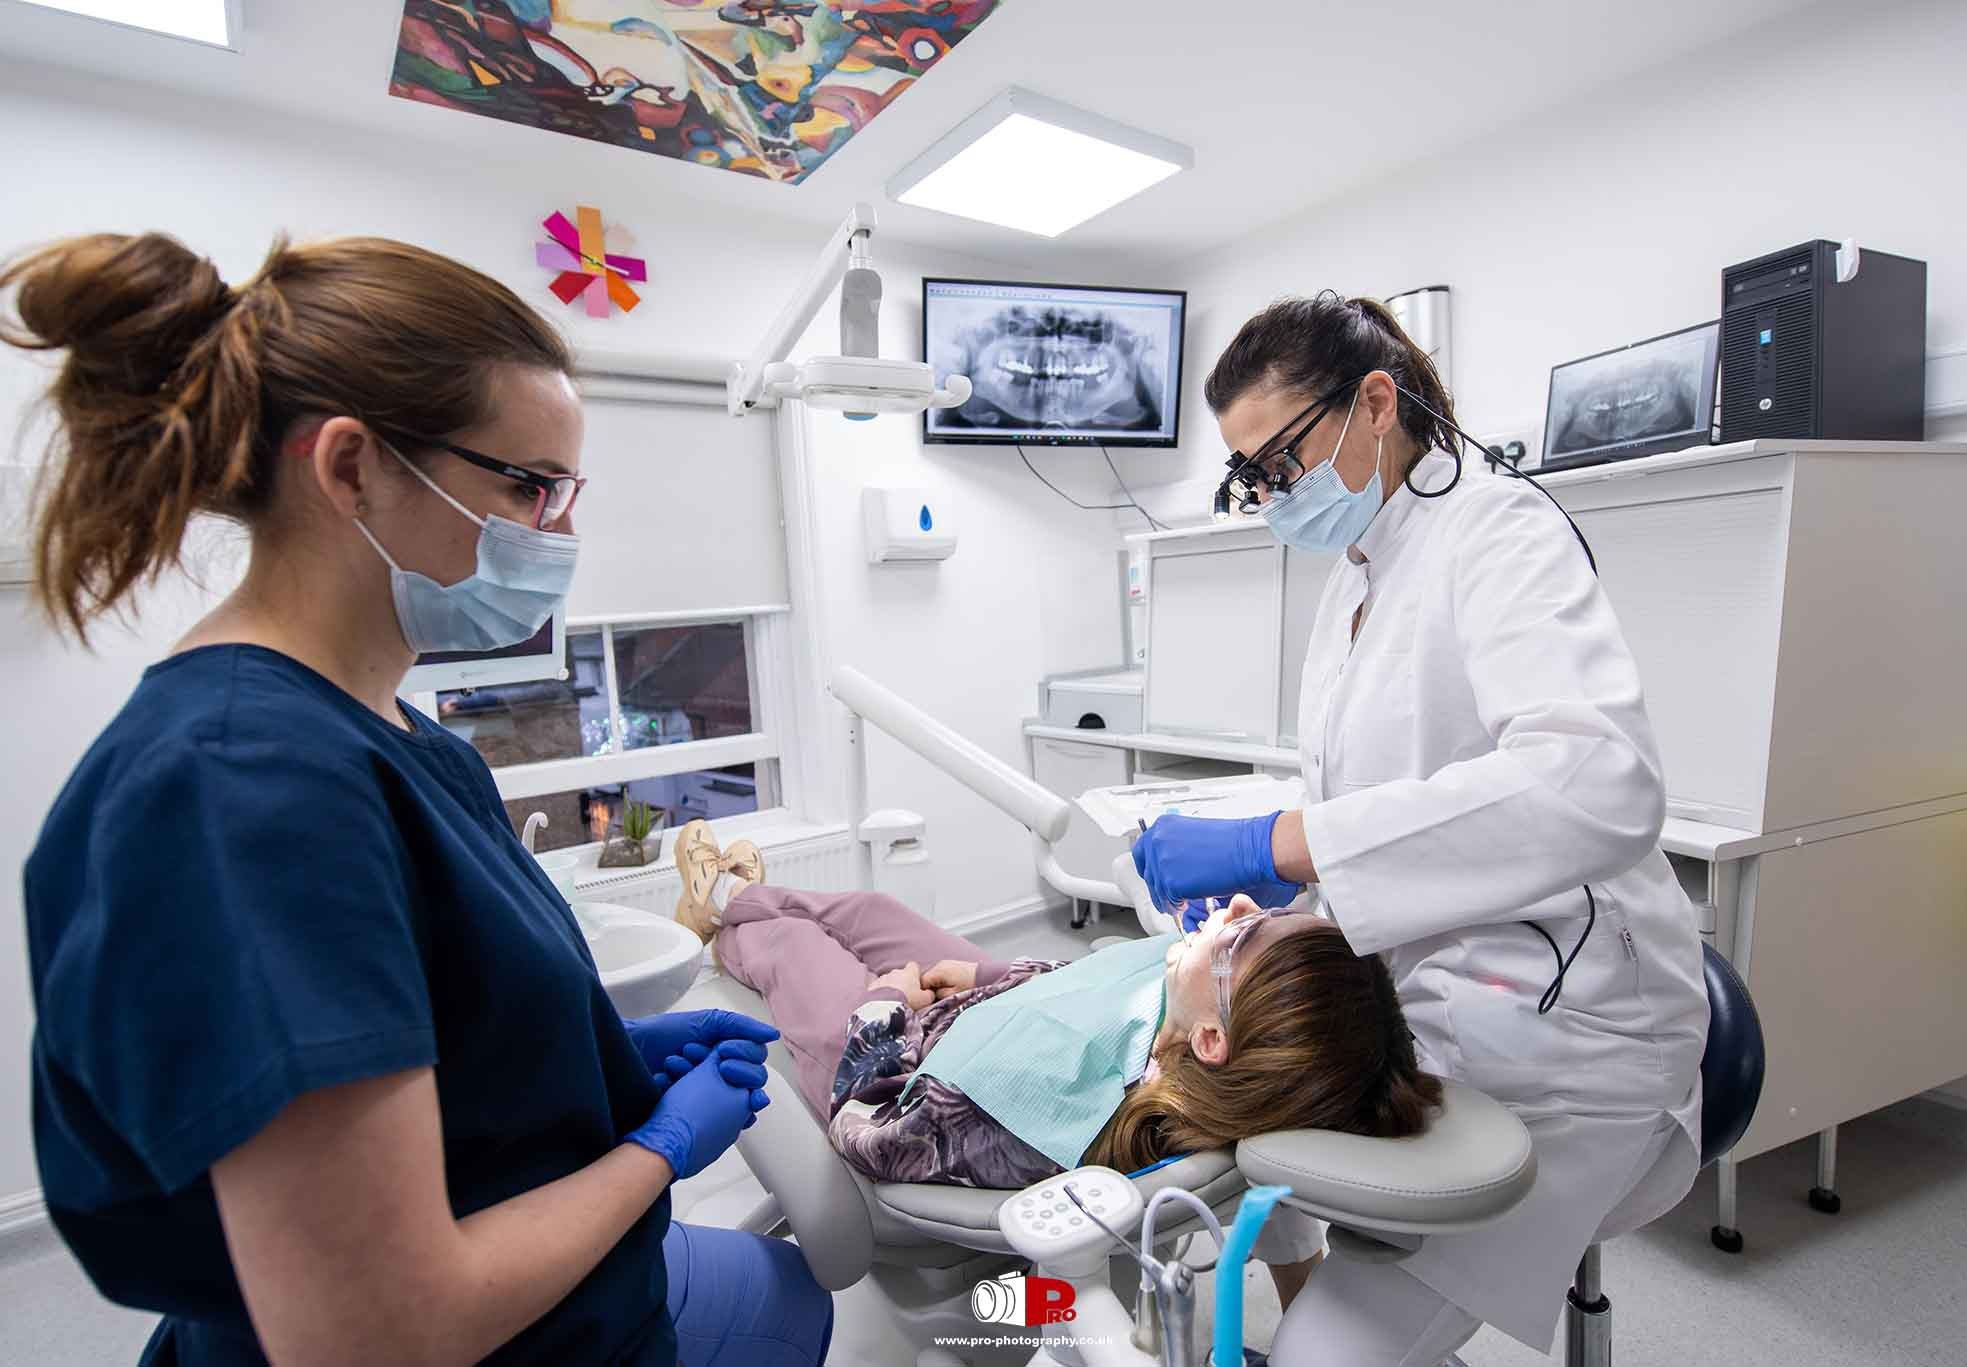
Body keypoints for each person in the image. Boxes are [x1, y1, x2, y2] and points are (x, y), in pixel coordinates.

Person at [7, 231, 831, 1366]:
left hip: (585, 1306)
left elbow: (428, 1033)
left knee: (794, 1291)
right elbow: (374, 1333)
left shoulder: (404, 738)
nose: (560, 534)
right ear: (350, 467)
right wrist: (655, 1147)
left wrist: (599, 1053)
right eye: (527, 485)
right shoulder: (241, 787)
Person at [1131, 292, 1711, 1362]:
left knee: (1322, 1347)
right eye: (1249, 475)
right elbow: (1385, 803)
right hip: (1428, 993)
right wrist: (1290, 900)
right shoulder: (1354, 576)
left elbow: (1598, 778)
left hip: (1565, 1025)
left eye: (1278, 460)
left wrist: (1279, 843)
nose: (1269, 495)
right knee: (1264, 1163)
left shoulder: (1494, 528)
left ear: (1373, 401)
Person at [666, 828, 1439, 1189]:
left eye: (1246, 934)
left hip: (882, 1064)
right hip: (972, 1011)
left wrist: (886, 1001)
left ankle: (725, 917)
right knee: (867, 905)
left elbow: (870, 1131)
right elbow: (1079, 993)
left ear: (1212, 1038)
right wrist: (985, 972)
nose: (1238, 902)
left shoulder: (1047, 1116)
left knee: (796, 948)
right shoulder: (1177, 1018)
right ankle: (732, 894)